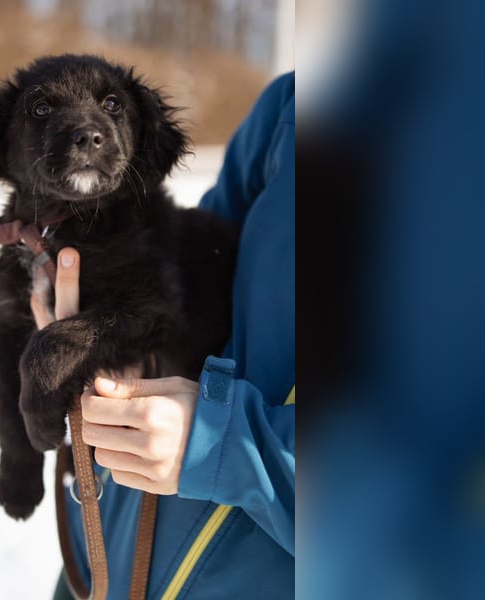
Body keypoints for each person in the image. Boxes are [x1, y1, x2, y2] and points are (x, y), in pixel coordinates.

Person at [35, 71, 294, 599]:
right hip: (112, 548)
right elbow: (199, 263)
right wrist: (115, 325)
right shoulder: (296, 102)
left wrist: (225, 447)